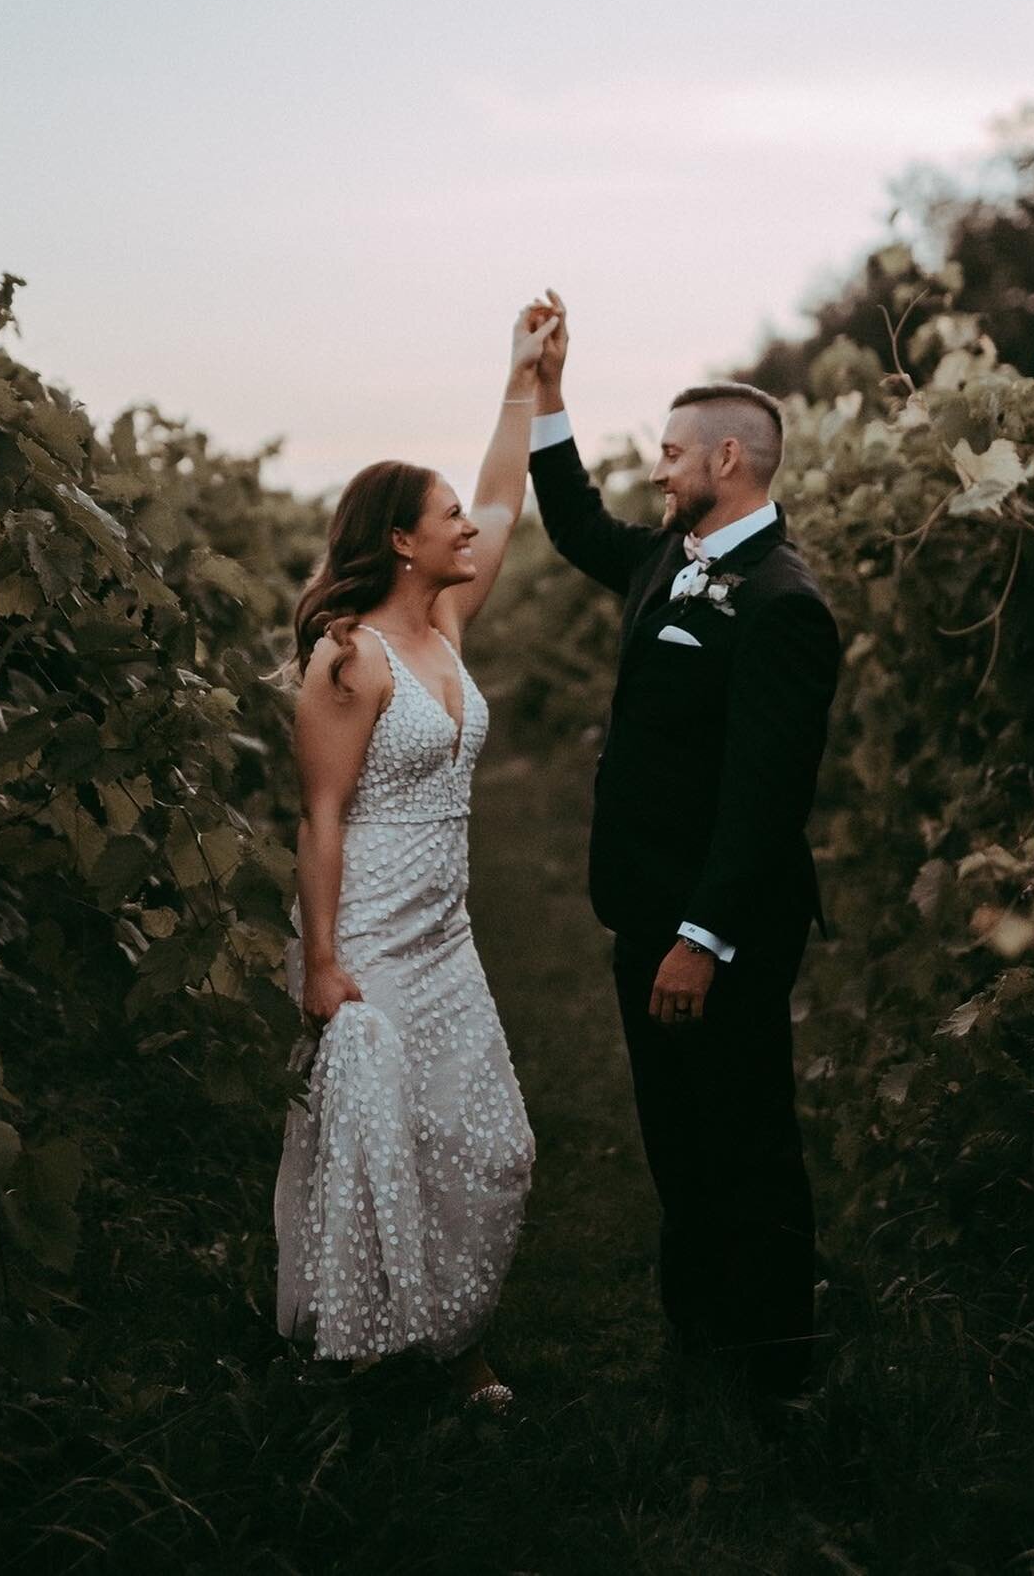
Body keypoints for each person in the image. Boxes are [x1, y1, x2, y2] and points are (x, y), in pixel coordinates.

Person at [526, 293, 841, 1410]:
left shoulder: (782, 602)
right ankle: (697, 1336)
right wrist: (544, 389)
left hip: (719, 927)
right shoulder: (674, 556)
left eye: (667, 453)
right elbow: (572, 527)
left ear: (726, 457)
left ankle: (773, 1379)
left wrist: (702, 938)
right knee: (676, 1136)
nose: (656, 473)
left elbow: (764, 797)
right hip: (645, 909)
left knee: (747, 1140)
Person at [272, 301, 560, 1409]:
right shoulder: (350, 659)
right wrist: (321, 962)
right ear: (402, 539)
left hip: (449, 928)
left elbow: (502, 492)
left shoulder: (446, 628)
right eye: (444, 519)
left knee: (491, 1142)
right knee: (378, 1139)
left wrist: (520, 379)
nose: (468, 529)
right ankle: (394, 1358)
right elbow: (321, 816)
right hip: (372, 924)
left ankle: (450, 1325)